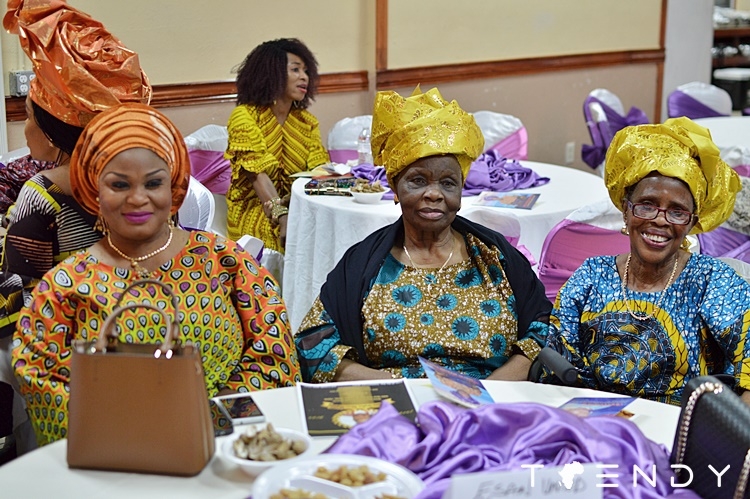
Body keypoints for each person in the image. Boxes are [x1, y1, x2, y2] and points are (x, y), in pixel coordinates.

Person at [12, 103, 301, 446]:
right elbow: (41, 378)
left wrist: (209, 421)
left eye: (153, 183)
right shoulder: (64, 286)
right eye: (119, 184)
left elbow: (273, 354)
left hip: (229, 447)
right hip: (114, 458)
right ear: (94, 189)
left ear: (174, 185)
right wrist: (138, 432)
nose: (138, 198)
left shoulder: (225, 262)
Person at [295, 87, 551, 382]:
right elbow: (313, 344)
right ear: (395, 187)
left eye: (448, 183)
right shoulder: (363, 266)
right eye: (418, 181)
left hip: (492, 400)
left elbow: (543, 331)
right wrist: (394, 388)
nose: (434, 194)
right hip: (394, 402)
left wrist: (490, 392)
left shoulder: (495, 257)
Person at [0, 0, 151, 454]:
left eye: (28, 118)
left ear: (51, 134)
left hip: (66, 370)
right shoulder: (141, 189)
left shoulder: (41, 198)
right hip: (144, 347)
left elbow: (22, 303)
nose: (25, 129)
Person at [541, 117, 750, 405]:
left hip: (678, 426)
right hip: (591, 419)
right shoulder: (591, 276)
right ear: (626, 211)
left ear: (691, 223)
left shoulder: (712, 283)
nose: (660, 221)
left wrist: (728, 428)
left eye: (677, 211)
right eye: (647, 205)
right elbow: (556, 364)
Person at [224, 38, 329, 252]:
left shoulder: (307, 122)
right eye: (295, 69)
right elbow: (257, 175)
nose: (304, 77)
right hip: (254, 209)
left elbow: (318, 172)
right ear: (272, 73)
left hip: (298, 206)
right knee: (286, 242)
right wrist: (282, 215)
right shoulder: (244, 116)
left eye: (306, 71)